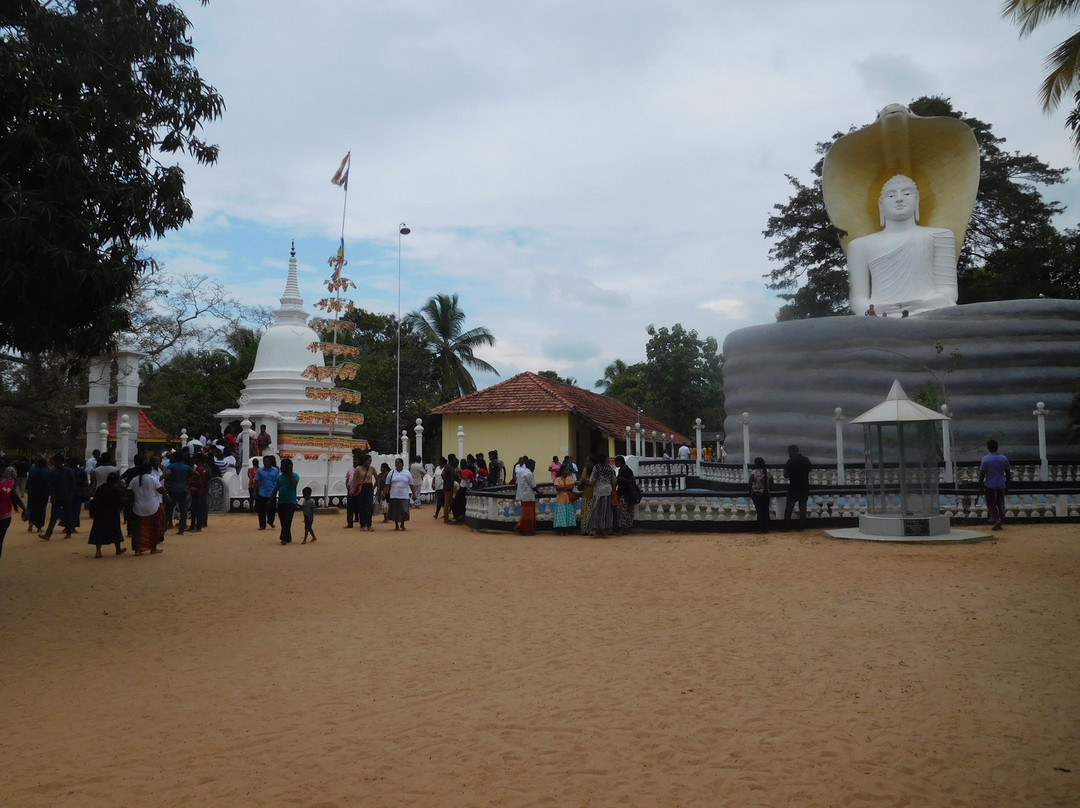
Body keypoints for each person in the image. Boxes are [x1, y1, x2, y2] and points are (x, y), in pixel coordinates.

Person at [846, 174, 958, 317]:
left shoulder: (941, 235)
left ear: (917, 199)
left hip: (929, 313)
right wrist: (875, 309)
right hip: (880, 317)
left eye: (906, 193)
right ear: (881, 204)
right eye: (891, 196)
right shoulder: (859, 245)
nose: (899, 198)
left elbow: (949, 292)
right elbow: (857, 300)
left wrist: (923, 304)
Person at [128, 459, 164, 555]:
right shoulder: (152, 478)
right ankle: (153, 548)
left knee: (137, 529)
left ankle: (137, 550)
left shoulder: (134, 480)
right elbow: (161, 490)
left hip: (138, 507)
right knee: (154, 528)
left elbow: (129, 492)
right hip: (153, 507)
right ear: (149, 469)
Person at [87, 472, 127, 558]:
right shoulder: (116, 490)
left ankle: (98, 551)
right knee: (116, 531)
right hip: (112, 512)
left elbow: (95, 499)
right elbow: (121, 501)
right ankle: (118, 549)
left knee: (99, 531)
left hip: (100, 512)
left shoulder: (100, 488)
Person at [979, 439, 1011, 531]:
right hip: (1001, 484)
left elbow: (982, 474)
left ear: (988, 448)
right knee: (999, 503)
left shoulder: (985, 459)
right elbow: (1008, 473)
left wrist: (980, 486)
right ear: (997, 447)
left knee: (990, 503)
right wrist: (1008, 485)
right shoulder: (1004, 458)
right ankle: (1001, 518)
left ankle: (996, 519)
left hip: (990, 485)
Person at [585, 454, 616, 537]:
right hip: (608, 491)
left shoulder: (596, 468)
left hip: (598, 491)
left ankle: (600, 530)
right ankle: (606, 529)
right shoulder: (610, 468)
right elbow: (614, 480)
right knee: (607, 511)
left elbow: (592, 481)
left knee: (597, 511)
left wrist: (587, 481)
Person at [783, 444, 812, 530]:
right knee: (803, 507)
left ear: (791, 451)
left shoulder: (790, 461)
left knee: (789, 508)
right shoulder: (806, 460)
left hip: (793, 487)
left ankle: (786, 527)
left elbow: (786, 475)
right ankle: (801, 526)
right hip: (804, 487)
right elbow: (809, 469)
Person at [164, 451, 193, 534]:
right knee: (183, 509)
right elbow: (196, 474)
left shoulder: (171, 466)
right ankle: (182, 528)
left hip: (173, 489)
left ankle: (165, 526)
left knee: (168, 509)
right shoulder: (186, 467)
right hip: (183, 489)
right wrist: (187, 481)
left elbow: (164, 473)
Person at [272, 457, 299, 544]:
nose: (281, 468)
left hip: (291, 502)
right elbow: (276, 489)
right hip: (281, 502)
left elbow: (294, 484)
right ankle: (288, 537)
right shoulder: (280, 478)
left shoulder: (295, 476)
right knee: (283, 521)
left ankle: (283, 537)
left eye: (283, 466)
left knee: (287, 520)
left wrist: (290, 472)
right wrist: (270, 499)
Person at [0, 466, 25, 560]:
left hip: (4, 517)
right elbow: (15, 498)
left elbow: (14, 497)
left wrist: (23, 509)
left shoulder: (6, 483)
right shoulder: (9, 483)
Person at [384, 458, 415, 531]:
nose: (397, 464)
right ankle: (396, 525)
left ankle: (403, 524)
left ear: (402, 464)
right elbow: (387, 484)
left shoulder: (407, 473)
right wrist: (384, 493)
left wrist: (414, 493)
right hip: (394, 495)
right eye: (396, 463)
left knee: (404, 510)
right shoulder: (391, 473)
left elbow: (411, 484)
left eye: (399, 463)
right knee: (395, 511)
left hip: (404, 495)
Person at [613, 455, 639, 535]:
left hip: (626, 493)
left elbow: (631, 481)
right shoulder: (623, 470)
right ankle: (626, 528)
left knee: (623, 512)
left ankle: (623, 529)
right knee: (626, 511)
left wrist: (623, 480)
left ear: (619, 462)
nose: (615, 464)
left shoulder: (626, 470)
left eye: (616, 462)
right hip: (625, 493)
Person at [25, 456, 51, 534]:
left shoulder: (32, 470)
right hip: (43, 493)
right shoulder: (48, 472)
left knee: (31, 508)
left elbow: (29, 480)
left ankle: (30, 524)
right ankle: (39, 527)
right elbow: (49, 483)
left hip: (32, 492)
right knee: (41, 510)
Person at [513, 458, 538, 535]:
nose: (534, 468)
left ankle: (523, 528)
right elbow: (533, 485)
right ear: (531, 466)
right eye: (534, 466)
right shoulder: (529, 473)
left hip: (522, 495)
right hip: (528, 496)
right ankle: (527, 529)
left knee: (524, 513)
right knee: (529, 514)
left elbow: (516, 482)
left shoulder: (520, 472)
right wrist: (538, 492)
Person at [748, 457, 772, 534]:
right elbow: (772, 484)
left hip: (757, 494)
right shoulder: (768, 473)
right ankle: (766, 528)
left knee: (759, 512)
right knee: (766, 511)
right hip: (766, 494)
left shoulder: (754, 473)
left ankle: (761, 528)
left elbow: (750, 483)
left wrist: (750, 492)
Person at [254, 455, 279, 530]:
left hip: (272, 492)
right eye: (264, 461)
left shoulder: (275, 470)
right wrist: (255, 492)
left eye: (266, 461)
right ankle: (262, 525)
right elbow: (257, 481)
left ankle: (270, 521)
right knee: (261, 510)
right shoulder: (260, 471)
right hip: (262, 492)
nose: (265, 463)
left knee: (272, 510)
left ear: (270, 462)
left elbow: (277, 481)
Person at [552, 464, 577, 536]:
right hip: (561, 499)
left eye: (568, 470)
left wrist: (562, 487)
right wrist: (566, 487)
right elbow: (557, 488)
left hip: (568, 499)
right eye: (566, 470)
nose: (568, 471)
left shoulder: (570, 478)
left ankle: (567, 530)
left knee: (568, 515)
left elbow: (571, 487)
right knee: (561, 515)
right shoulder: (558, 479)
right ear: (562, 471)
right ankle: (561, 530)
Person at [354, 454, 377, 532]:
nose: (369, 462)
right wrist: (354, 488)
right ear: (364, 461)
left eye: (370, 461)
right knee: (362, 506)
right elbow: (355, 479)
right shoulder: (358, 469)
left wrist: (375, 488)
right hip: (361, 487)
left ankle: (369, 524)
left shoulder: (372, 469)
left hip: (369, 487)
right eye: (368, 461)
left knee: (370, 507)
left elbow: (377, 479)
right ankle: (363, 524)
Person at [577, 455, 596, 535]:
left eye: (588, 461)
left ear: (593, 463)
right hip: (586, 493)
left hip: (594, 493)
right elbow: (584, 480)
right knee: (586, 513)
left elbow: (588, 481)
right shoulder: (585, 470)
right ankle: (586, 529)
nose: (587, 463)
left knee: (593, 512)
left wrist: (588, 481)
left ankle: (593, 529)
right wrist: (589, 482)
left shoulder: (596, 470)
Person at [442, 455, 460, 524]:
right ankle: (446, 518)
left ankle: (447, 517)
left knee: (449, 502)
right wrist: (447, 482)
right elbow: (443, 474)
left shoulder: (449, 467)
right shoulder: (448, 467)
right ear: (452, 459)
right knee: (447, 503)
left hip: (449, 486)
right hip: (448, 487)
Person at [344, 454, 361, 528]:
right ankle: (350, 523)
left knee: (360, 507)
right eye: (354, 460)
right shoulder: (350, 469)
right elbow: (347, 478)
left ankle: (361, 522)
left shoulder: (361, 469)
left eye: (357, 460)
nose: (355, 461)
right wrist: (347, 487)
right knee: (350, 508)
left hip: (359, 491)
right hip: (350, 491)